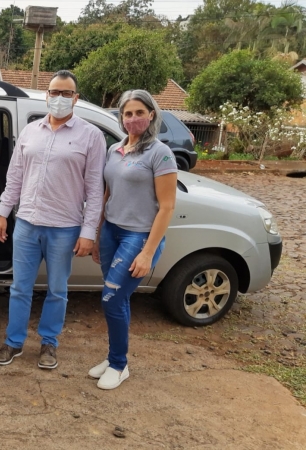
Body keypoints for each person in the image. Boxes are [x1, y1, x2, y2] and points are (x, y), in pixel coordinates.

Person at [0, 70, 106, 370]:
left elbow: (95, 190)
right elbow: (15, 176)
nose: (59, 98)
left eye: (66, 93)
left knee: (57, 290)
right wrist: (3, 213)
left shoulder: (91, 136)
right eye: (54, 92)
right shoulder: (30, 131)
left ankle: (48, 343)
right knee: (19, 287)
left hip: (65, 228)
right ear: (46, 95)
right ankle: (13, 342)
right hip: (27, 223)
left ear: (76, 98)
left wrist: (88, 232)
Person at [89, 90, 177, 390]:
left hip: (138, 237)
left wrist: (148, 252)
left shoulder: (160, 152)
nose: (134, 118)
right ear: (121, 117)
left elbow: (167, 207)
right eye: (128, 113)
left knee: (111, 298)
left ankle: (119, 364)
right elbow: (108, 193)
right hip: (112, 232)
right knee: (118, 298)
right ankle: (115, 357)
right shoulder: (115, 150)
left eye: (140, 112)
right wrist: (99, 231)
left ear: (151, 115)